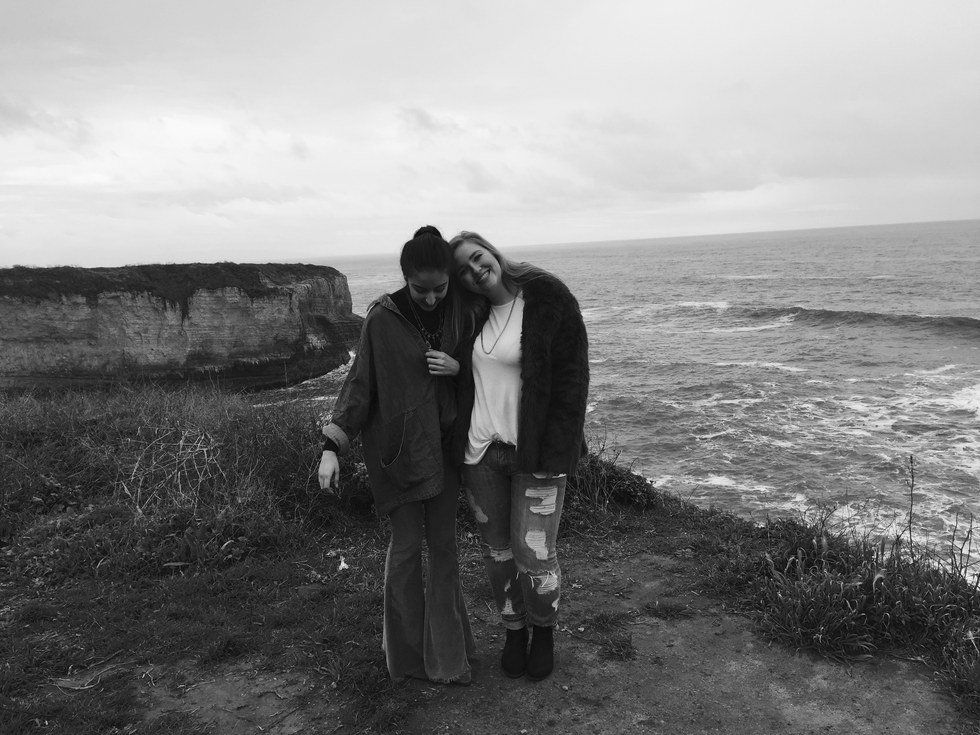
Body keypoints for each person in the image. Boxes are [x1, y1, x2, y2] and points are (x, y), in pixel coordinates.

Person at [318, 226, 475, 684]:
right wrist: (332, 446)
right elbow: (359, 385)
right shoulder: (382, 320)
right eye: (420, 289)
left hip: (445, 450)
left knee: (444, 549)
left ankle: (448, 658)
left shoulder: (461, 313)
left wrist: (457, 368)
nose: (431, 298)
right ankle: (405, 661)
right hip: (398, 455)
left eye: (439, 288)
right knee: (406, 549)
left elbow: (489, 370)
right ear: (405, 277)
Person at [448, 231, 589, 681]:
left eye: (477, 257)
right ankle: (514, 630)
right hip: (479, 453)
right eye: (463, 270)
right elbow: (471, 376)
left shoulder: (547, 299)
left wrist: (559, 450)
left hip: (535, 454)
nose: (475, 270)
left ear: (492, 251)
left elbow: (572, 381)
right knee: (497, 553)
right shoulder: (470, 316)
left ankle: (543, 633)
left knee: (535, 553)